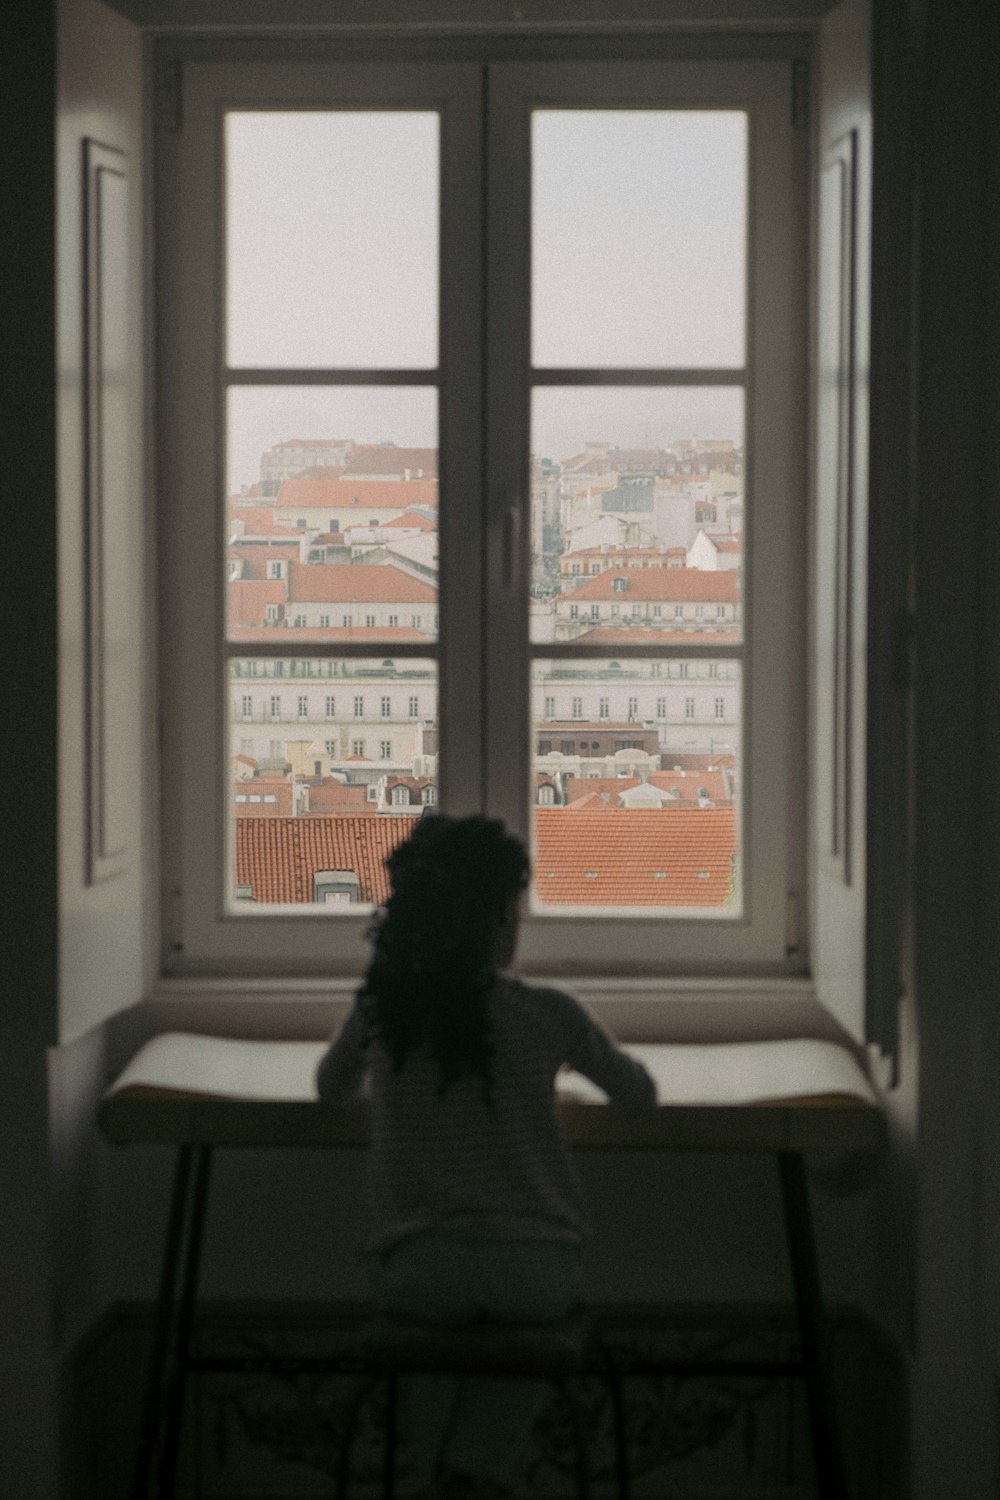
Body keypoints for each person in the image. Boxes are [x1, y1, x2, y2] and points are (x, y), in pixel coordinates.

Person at [316, 814, 657, 1500]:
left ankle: (433, 1473)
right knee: (519, 1335)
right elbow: (638, 1095)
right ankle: (480, 1471)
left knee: (437, 1336)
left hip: (422, 1263)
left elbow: (330, 1089)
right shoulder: (546, 1014)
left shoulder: (386, 1012)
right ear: (502, 916)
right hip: (535, 1264)